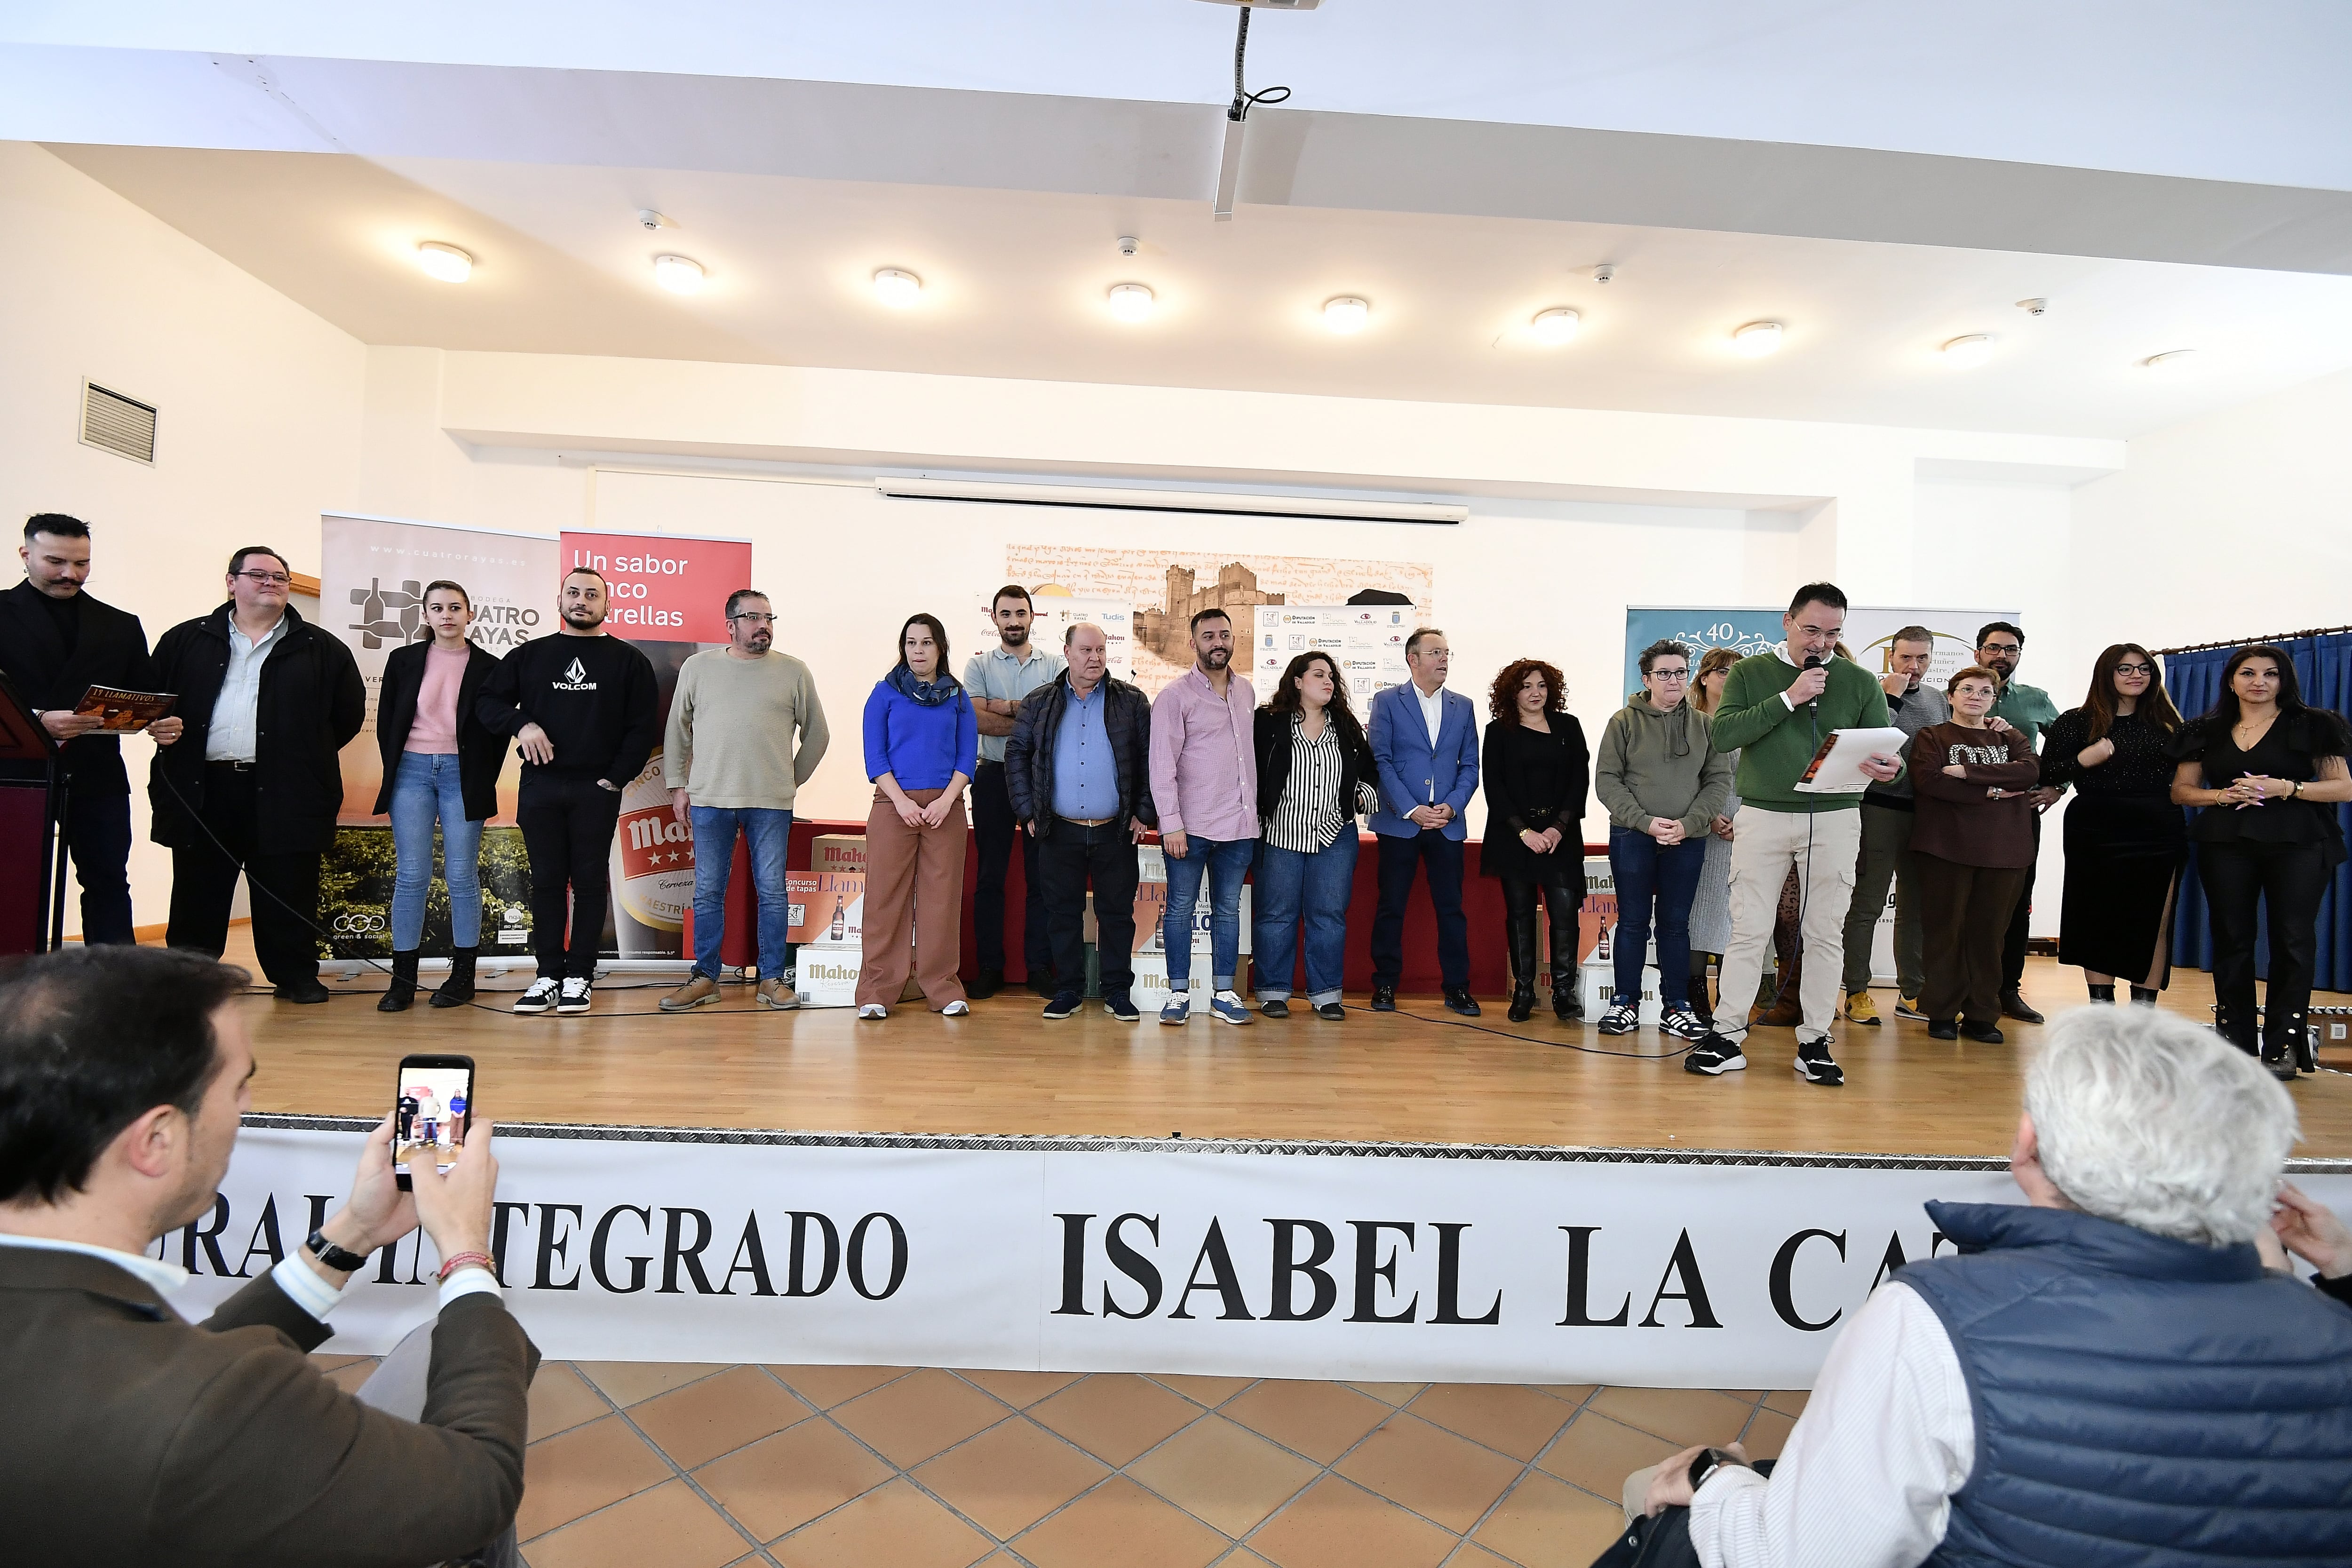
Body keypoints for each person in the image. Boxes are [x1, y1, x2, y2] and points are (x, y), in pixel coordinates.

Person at [1630, 1004, 2352, 1567]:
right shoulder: (2328, 1329)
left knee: (1657, 1496)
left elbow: (1801, 1558)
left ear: (2029, 1149)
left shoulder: (1933, 1323)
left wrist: (1713, 1483)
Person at [0, 944, 533, 1567]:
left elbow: (150, 1372)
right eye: (239, 1084)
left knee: (423, 1355)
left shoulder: (91, 1345)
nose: (246, 1107)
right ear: (157, 1140)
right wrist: (467, 1256)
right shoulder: (218, 1411)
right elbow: (480, 1488)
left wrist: (352, 1234)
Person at [1685, 584, 1899, 1085]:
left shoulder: (1858, 681)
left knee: (1824, 931)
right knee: (1748, 927)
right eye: (1811, 630)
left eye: (1832, 633)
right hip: (1761, 813)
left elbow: (1884, 748)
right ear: (1787, 622)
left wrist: (1892, 767)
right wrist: (1788, 697)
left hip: (1835, 815)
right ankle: (1726, 1035)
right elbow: (1725, 735)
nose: (1820, 643)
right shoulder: (1749, 673)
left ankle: (1815, 1042)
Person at [150, 547, 365, 1003]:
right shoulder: (185, 640)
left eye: (280, 577)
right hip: (203, 788)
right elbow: (154, 703)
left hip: (288, 790)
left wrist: (299, 758)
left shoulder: (323, 649)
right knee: (197, 891)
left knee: (288, 889)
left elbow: (345, 719)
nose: (271, 582)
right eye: (259, 575)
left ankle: (296, 977)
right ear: (231, 582)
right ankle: (191, 982)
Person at [476, 567, 660, 1016]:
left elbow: (643, 726)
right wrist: (522, 724)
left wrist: (615, 777)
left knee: (591, 884)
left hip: (597, 788)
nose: (582, 600)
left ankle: (580, 976)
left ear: (608, 605)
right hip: (540, 786)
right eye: (573, 592)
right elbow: (487, 702)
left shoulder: (628, 660)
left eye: (592, 594)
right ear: (559, 601)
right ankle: (547, 977)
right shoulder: (531, 655)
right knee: (547, 884)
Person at [2169, 645, 2351, 1080]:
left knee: (2292, 939)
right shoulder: (2204, 730)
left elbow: (2342, 787)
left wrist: (2286, 787)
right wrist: (2221, 796)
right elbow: (2181, 791)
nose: (2259, 681)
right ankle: (2233, 1040)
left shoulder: (2314, 725)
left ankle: (2284, 1044)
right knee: (2231, 937)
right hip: (2226, 839)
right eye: (2248, 673)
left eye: (2271, 674)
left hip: (2300, 840)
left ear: (2284, 681)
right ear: (2231, 680)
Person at [0, 513, 183, 945]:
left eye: (82, 563)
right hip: (14, 778)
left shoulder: (119, 624)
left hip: (96, 775)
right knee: (13, 882)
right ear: (26, 555)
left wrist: (162, 721)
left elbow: (146, 693)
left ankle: (114, 987)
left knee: (107, 882)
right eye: (56, 561)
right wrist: (40, 718)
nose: (71, 574)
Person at [659, 589, 831, 1013]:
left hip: (771, 801)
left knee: (773, 891)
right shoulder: (699, 668)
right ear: (730, 625)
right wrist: (678, 784)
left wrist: (790, 779)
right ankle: (705, 977)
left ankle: (772, 978)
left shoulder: (793, 671)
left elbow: (818, 735)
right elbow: (677, 730)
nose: (764, 626)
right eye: (754, 617)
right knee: (708, 891)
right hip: (710, 798)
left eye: (770, 618)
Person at [1006, 621, 1155, 1022]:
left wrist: (1144, 811)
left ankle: (1118, 992)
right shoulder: (1040, 701)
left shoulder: (1132, 701)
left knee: (1117, 915)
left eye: (1102, 650)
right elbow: (1016, 754)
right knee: (1062, 913)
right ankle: (1068, 989)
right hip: (1059, 829)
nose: (1096, 658)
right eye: (1086, 650)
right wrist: (1027, 810)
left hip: (1115, 829)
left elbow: (1149, 759)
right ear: (1067, 653)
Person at [372, 580, 506, 1012]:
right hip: (411, 769)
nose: (446, 615)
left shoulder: (490, 666)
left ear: (470, 614)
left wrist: (480, 772)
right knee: (412, 874)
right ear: (426, 616)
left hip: (462, 775)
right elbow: (387, 721)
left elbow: (496, 730)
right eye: (437, 608)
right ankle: (402, 980)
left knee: (461, 875)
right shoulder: (403, 659)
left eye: (455, 607)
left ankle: (462, 976)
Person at [2038, 643, 2186, 1007]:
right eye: (2125, 668)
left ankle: (2143, 1012)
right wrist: (2082, 760)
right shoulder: (2076, 720)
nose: (2136, 675)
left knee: (2155, 920)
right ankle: (2101, 1008)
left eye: (2144, 668)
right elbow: (2047, 772)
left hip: (2159, 827)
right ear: (2107, 673)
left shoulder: (2170, 723)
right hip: (2095, 827)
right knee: (2095, 917)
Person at [1593, 642, 1728, 1038]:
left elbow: (1718, 780)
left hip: (1688, 838)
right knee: (1633, 922)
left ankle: (1676, 1006)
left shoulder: (1705, 726)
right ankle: (1625, 1003)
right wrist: (1645, 822)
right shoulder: (1623, 722)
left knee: (1675, 924)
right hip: (1633, 836)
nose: (1675, 680)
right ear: (1647, 678)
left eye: (1681, 672)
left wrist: (1689, 823)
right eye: (1665, 673)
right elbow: (1607, 780)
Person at [1908, 666, 2042, 1043]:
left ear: (1994, 700)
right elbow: (1930, 781)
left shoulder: (2009, 735)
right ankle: (1942, 1012)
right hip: (1945, 847)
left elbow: (2029, 772)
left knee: (1990, 935)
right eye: (1967, 689)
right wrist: (1996, 791)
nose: (1975, 696)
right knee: (1945, 931)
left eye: (1985, 692)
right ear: (1950, 696)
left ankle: (1983, 1014)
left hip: (2004, 849)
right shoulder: (1932, 736)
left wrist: (1966, 773)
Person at [858, 612, 977, 1019]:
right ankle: (877, 991)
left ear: (940, 647)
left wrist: (947, 800)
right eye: (911, 643)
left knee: (941, 901)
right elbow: (875, 757)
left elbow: (966, 757)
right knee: (884, 899)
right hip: (894, 806)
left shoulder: (958, 697)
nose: (918, 650)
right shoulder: (884, 693)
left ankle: (942, 989)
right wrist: (902, 802)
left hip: (947, 808)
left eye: (926, 642)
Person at [1149, 608, 1260, 1027]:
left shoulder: (1247, 692)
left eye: (1225, 635)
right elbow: (1162, 766)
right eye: (1209, 636)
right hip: (1189, 829)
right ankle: (1178, 993)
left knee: (1229, 910)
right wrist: (1171, 823)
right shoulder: (1175, 697)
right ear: (1193, 643)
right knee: (1180, 908)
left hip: (1238, 827)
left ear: (1234, 640)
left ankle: (1223, 992)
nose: (1219, 643)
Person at [1254, 651, 1379, 1020]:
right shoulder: (1269, 722)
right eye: (1319, 675)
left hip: (1335, 835)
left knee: (1328, 915)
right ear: (1297, 681)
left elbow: (1369, 768)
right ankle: (1273, 991)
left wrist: (1360, 796)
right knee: (1276, 914)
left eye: (1331, 677)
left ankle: (1327, 995)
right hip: (1280, 832)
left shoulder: (1344, 723)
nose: (1328, 682)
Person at [1367, 628, 1483, 1016]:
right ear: (1413, 659)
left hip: (1446, 824)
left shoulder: (1463, 706)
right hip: (1401, 822)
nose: (1444, 659)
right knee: (1391, 906)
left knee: (1452, 909)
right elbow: (1379, 760)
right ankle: (1384, 984)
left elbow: (1470, 766)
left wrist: (1450, 807)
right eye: (1435, 652)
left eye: (1447, 652)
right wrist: (1411, 808)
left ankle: (1458, 988)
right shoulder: (1387, 701)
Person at [1838, 626, 1947, 1027]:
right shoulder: (1871, 689)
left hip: (1926, 813)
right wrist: (1891, 695)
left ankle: (1913, 992)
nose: (1914, 666)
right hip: (1879, 809)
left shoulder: (1939, 700)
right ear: (1890, 655)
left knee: (1915, 908)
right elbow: (1871, 742)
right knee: (1867, 902)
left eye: (1922, 658)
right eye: (1905, 657)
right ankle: (1856, 991)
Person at [964, 585, 1065, 1000]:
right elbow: (977, 721)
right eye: (1006, 614)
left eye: (1021, 613)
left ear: (1032, 616)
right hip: (992, 778)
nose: (1014, 621)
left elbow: (1055, 719)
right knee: (990, 876)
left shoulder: (1056, 663)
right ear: (994, 618)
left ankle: (1039, 966)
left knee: (1043, 877)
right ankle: (990, 967)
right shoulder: (977, 665)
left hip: (1041, 779)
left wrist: (1000, 705)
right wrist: (1025, 712)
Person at [1974, 621, 2062, 1025]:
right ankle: (1958, 989)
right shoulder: (1951, 697)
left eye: (2011, 650)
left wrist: (2057, 786)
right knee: (1962, 903)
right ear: (1977, 652)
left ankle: (2008, 989)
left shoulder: (2034, 700)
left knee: (2015, 904)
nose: (2001, 656)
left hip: (2019, 818)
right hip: (1963, 818)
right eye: (1994, 648)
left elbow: (2067, 746)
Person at [1683, 647, 1744, 1027]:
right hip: (1696, 826)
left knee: (1735, 919)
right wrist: (1706, 818)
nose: (1729, 678)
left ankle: (1728, 1001)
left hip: (1746, 828)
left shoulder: (1751, 721)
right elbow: (1676, 779)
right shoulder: (1685, 721)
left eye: (1738, 673)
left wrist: (1746, 821)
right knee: (1695, 915)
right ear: (1704, 677)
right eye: (1722, 671)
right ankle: (1693, 998)